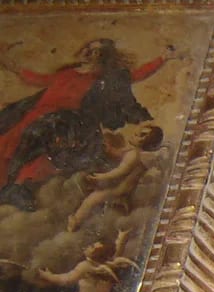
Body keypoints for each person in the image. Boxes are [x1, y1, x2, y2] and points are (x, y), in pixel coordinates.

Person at [0, 38, 172, 191]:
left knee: (29, 141)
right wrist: (6, 60)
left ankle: (13, 186)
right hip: (35, 116)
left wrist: (162, 58)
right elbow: (35, 78)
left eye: (95, 51)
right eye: (88, 47)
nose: (88, 52)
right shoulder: (67, 73)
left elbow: (135, 75)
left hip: (62, 123)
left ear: (103, 56)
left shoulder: (103, 79)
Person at [66, 123, 164, 232]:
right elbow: (119, 154)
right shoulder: (132, 150)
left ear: (142, 142)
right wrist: (109, 149)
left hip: (120, 188)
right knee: (90, 188)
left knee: (92, 198)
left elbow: (119, 172)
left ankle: (76, 222)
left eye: (136, 135)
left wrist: (102, 177)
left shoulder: (134, 155)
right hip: (119, 183)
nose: (132, 135)